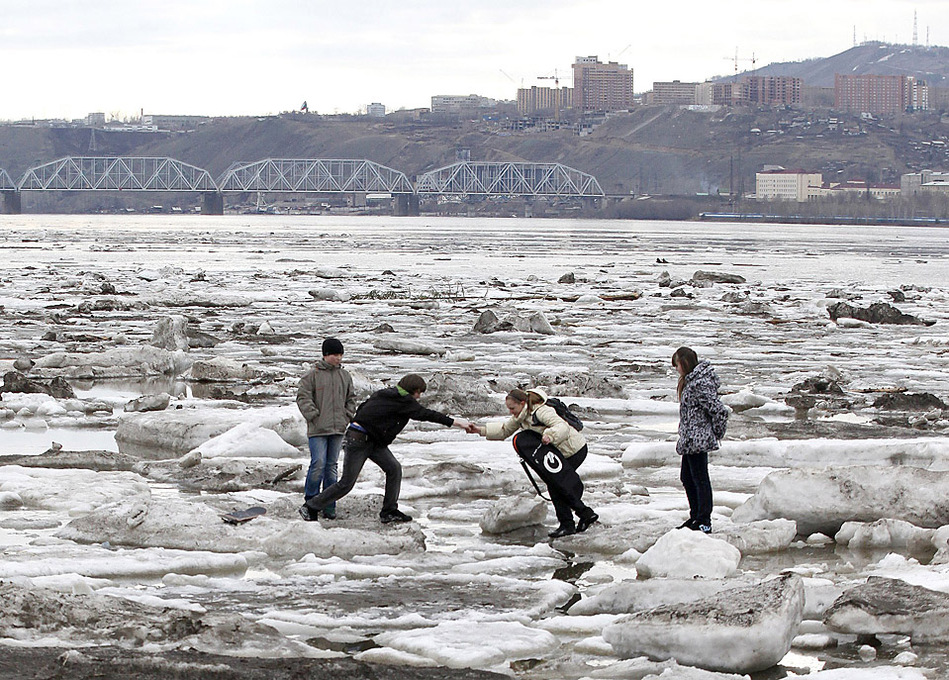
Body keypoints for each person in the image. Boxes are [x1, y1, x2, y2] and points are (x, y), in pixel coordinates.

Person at [299, 373, 473, 524]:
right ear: (414, 390)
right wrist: (455, 422)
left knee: (394, 468)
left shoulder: (385, 393)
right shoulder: (404, 401)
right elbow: (427, 415)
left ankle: (389, 511)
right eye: (419, 392)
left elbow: (363, 407)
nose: (419, 397)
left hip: (371, 440)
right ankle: (310, 507)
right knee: (347, 483)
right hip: (359, 441)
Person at [473, 387, 598, 538]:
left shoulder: (541, 411)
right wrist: (479, 430)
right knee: (556, 485)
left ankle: (572, 522)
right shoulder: (522, 416)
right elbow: (504, 430)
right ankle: (581, 516)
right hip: (558, 452)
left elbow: (561, 426)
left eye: (512, 408)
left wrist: (550, 436)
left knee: (556, 485)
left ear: (522, 403)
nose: (511, 412)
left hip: (573, 450)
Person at [295, 337, 357, 519]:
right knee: (317, 464)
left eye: (340, 354)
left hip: (338, 428)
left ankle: (329, 505)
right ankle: (311, 501)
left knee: (331, 467)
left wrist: (347, 415)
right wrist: (313, 415)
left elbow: (351, 398)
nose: (339, 358)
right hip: (318, 429)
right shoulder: (312, 375)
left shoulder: (344, 376)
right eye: (335, 355)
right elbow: (303, 397)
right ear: (326, 355)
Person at [672, 347, 729, 534]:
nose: (677, 369)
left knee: (700, 479)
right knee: (687, 478)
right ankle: (695, 516)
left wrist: (717, 433)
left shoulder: (699, 384)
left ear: (685, 363)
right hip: (689, 439)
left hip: (698, 439)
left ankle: (704, 520)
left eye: (677, 365)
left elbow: (718, 409)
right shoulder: (690, 382)